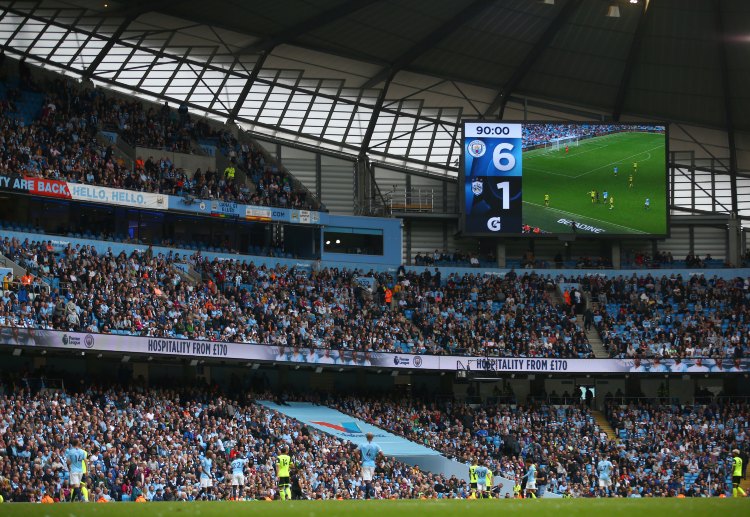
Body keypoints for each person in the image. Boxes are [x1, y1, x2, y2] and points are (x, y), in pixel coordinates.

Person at [359, 432, 382, 500]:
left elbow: (355, 452)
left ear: (366, 437)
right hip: (372, 464)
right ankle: (367, 497)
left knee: (367, 481)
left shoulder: (362, 444)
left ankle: (372, 491)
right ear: (372, 437)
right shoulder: (376, 445)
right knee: (368, 481)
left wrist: (358, 460)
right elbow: (382, 454)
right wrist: (377, 462)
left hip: (365, 463)